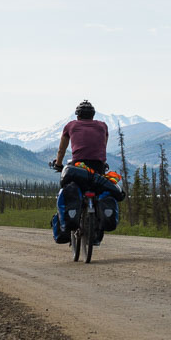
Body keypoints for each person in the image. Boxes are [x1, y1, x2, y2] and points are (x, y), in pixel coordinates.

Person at [49, 100, 110, 243]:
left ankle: (69, 224)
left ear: (78, 116)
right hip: (98, 167)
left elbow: (62, 150)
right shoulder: (103, 126)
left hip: (78, 168)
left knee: (70, 190)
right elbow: (103, 146)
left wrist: (58, 164)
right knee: (99, 192)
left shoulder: (70, 126)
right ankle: (97, 231)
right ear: (93, 115)